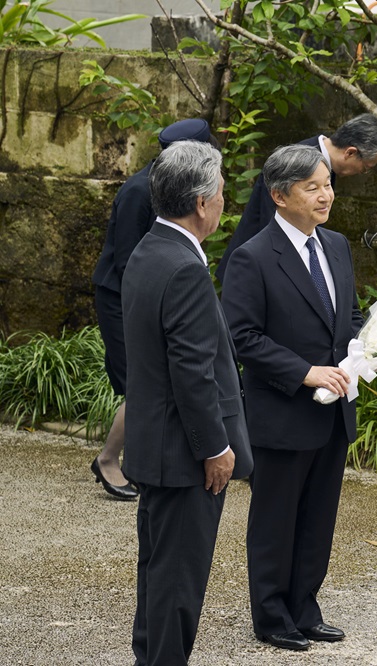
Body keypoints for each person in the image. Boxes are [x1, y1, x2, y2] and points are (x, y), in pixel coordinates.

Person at [221, 145, 364, 652]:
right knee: (275, 519)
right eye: (313, 187)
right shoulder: (252, 256)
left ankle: (305, 606)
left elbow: (346, 319)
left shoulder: (338, 246)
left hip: (333, 413)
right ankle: (271, 615)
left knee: (318, 517)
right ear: (280, 196)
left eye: (327, 184)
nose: (326, 195)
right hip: (282, 412)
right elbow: (242, 336)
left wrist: (373, 347)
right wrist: (306, 374)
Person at [121, 139, 253, 664]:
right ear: (201, 204)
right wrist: (215, 448)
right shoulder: (185, 269)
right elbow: (193, 374)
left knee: (157, 578)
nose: (225, 202)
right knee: (177, 588)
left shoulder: (147, 251)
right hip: (184, 457)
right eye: (221, 193)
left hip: (155, 447)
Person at [90, 118, 219, 500]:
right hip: (123, 298)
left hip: (154, 295)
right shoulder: (138, 191)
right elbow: (131, 261)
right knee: (140, 384)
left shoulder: (173, 188)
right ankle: (110, 459)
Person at [214, 113, 377, 284]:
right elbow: (273, 226)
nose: (363, 172)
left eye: (327, 186)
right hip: (253, 275)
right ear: (350, 153)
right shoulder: (295, 162)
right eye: (366, 167)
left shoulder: (325, 163)